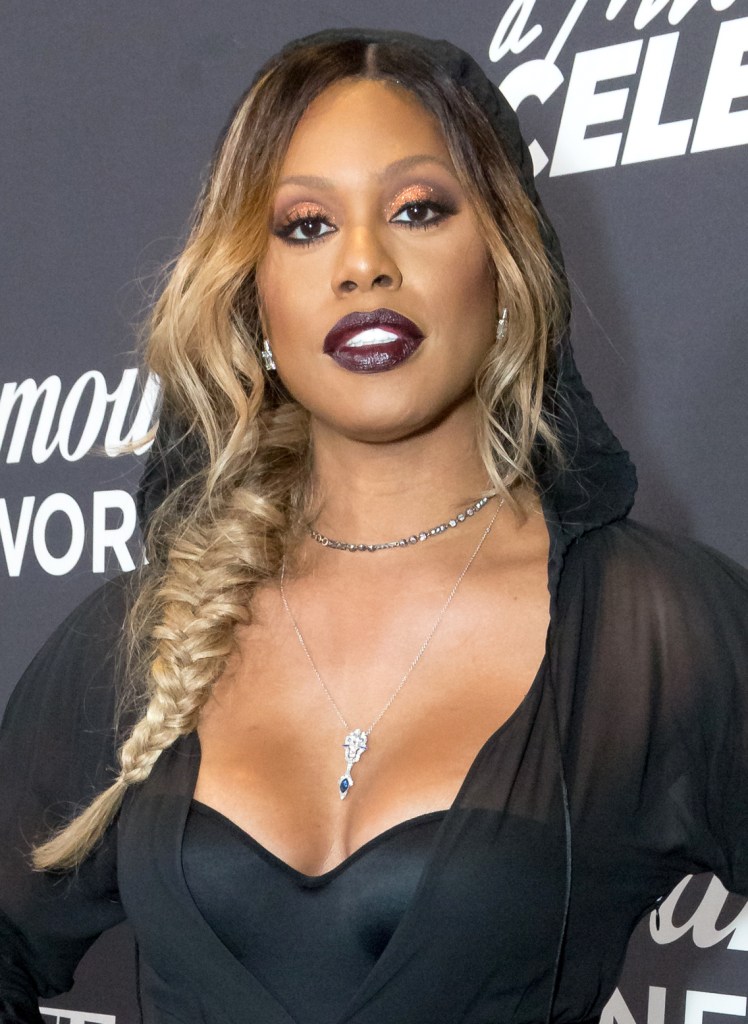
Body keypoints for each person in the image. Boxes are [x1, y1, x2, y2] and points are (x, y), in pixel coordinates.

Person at [1, 26, 747, 1024]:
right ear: (253, 298)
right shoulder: (149, 635)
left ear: (505, 262)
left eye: (417, 210)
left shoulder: (652, 633)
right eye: (306, 225)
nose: (363, 263)